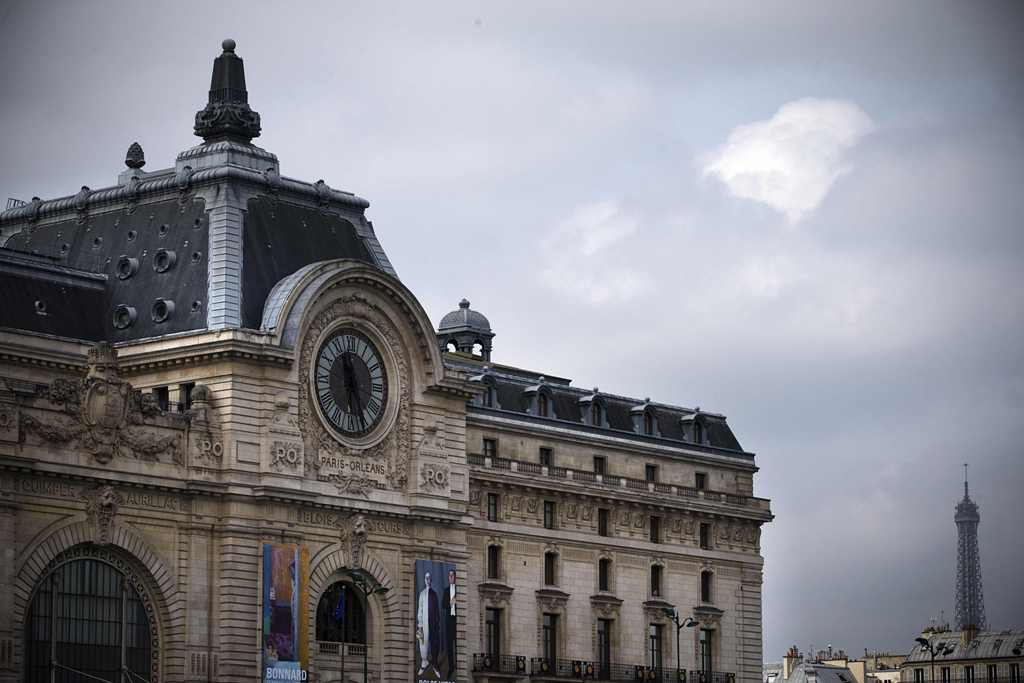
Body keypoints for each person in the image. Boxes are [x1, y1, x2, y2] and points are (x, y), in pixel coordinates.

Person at [416, 570, 441, 678]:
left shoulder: (434, 594)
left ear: (431, 580)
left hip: (433, 623)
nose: (427, 580)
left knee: (435, 643)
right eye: (426, 578)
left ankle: (435, 664)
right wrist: (420, 625)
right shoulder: (421, 594)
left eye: (429, 578)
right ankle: (424, 662)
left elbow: (437, 610)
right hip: (423, 624)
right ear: (424, 580)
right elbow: (420, 609)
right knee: (422, 642)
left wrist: (437, 623)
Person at [441, 569, 457, 678]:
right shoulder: (446, 590)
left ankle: (457, 665)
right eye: (449, 576)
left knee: (457, 644)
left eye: (452, 576)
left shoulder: (458, 590)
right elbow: (443, 605)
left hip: (457, 620)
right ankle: (451, 667)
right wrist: (450, 603)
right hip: (448, 620)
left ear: (455, 577)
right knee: (449, 646)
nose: (450, 577)